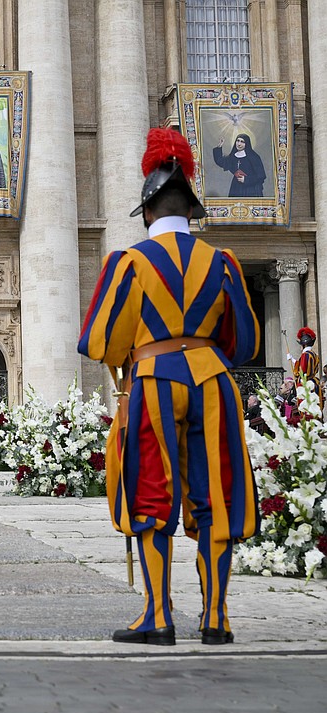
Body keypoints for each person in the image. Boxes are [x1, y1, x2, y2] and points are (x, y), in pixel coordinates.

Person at [78, 128, 259, 646]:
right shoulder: (222, 262)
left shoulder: (129, 263)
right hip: (213, 381)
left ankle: (158, 615)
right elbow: (243, 342)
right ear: (191, 209)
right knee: (216, 496)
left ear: (149, 213)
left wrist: (132, 350)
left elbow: (97, 341)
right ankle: (217, 618)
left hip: (154, 380)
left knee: (153, 493)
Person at [212, 133, 266, 198]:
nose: (239, 144)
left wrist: (246, 180)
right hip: (236, 188)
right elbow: (221, 161)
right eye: (238, 141)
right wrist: (219, 146)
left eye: (242, 142)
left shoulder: (254, 157)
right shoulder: (233, 156)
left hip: (251, 189)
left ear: (247, 143)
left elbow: (261, 175)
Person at [290, 326, 321, 402]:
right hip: (314, 382)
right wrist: (292, 359)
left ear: (304, 345)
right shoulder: (314, 355)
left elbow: (301, 371)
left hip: (305, 384)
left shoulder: (305, 355)